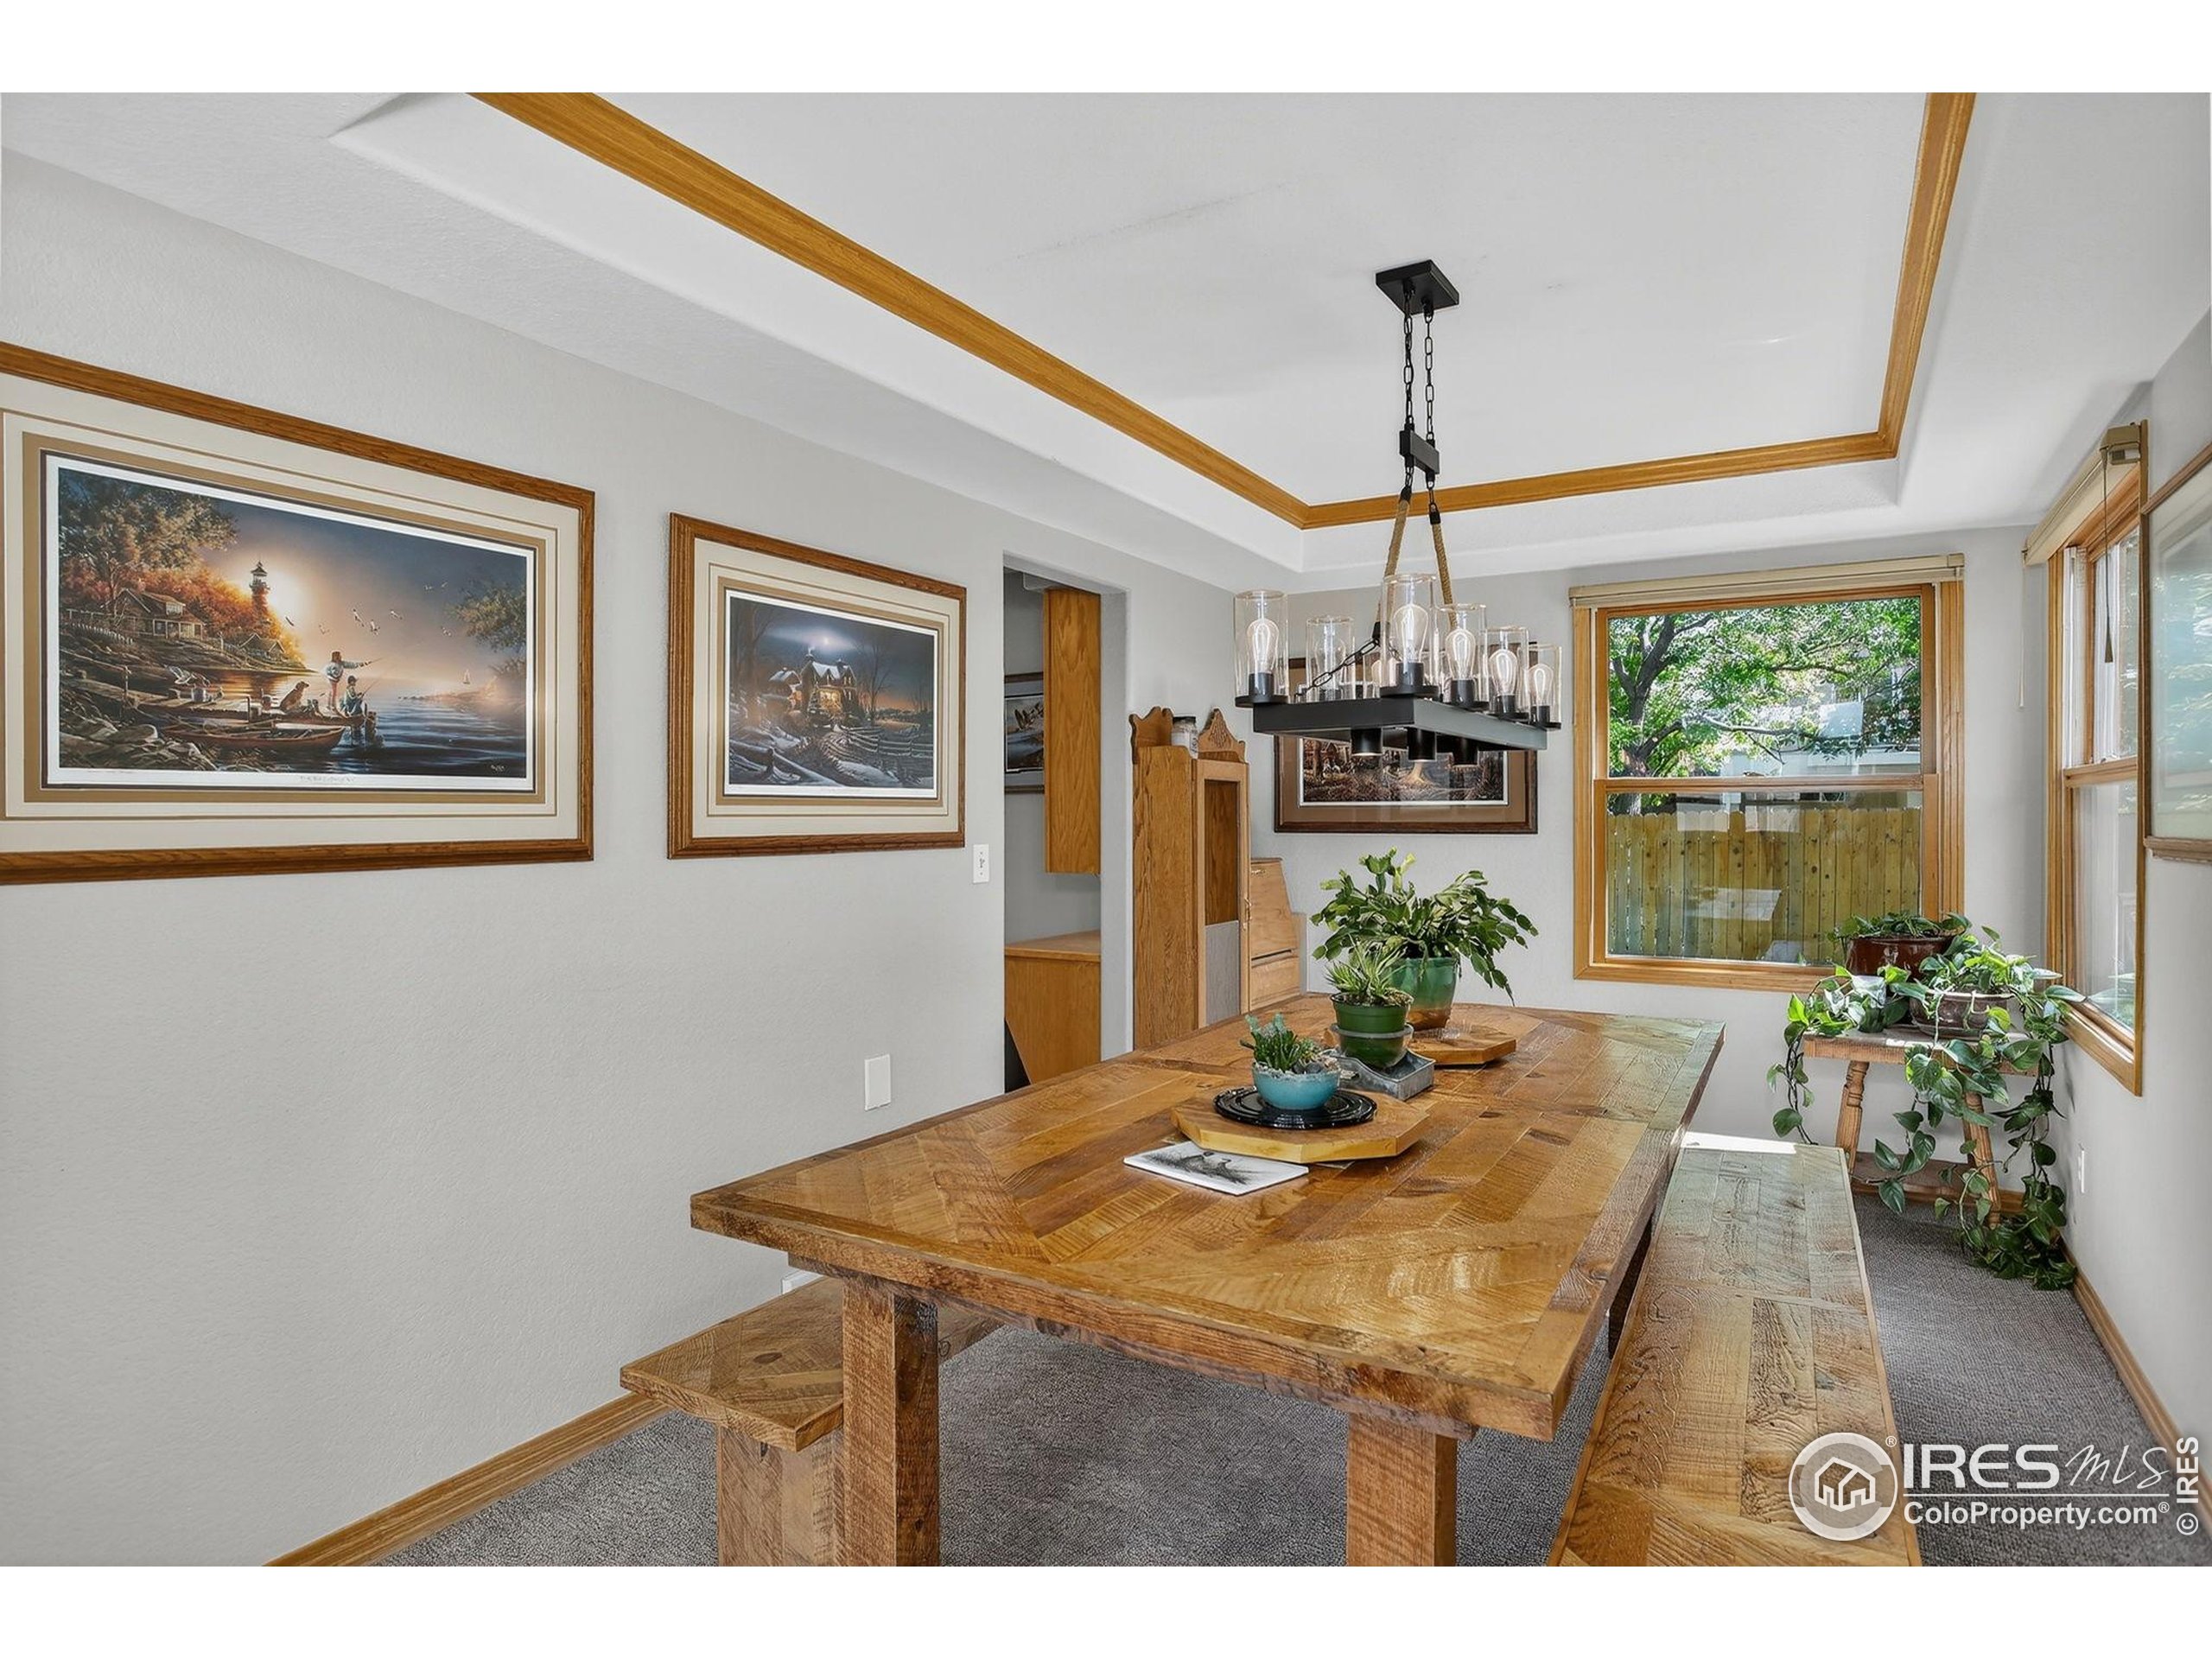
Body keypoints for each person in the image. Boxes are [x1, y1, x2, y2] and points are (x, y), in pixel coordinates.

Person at [324, 650, 370, 714]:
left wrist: (362, 664)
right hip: (331, 680)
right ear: (335, 657)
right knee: (332, 693)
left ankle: (331, 706)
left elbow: (351, 664)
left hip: (335, 681)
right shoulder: (332, 665)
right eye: (339, 656)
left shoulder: (341, 663)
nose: (341, 657)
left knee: (333, 693)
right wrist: (335, 677)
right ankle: (332, 707)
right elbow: (331, 673)